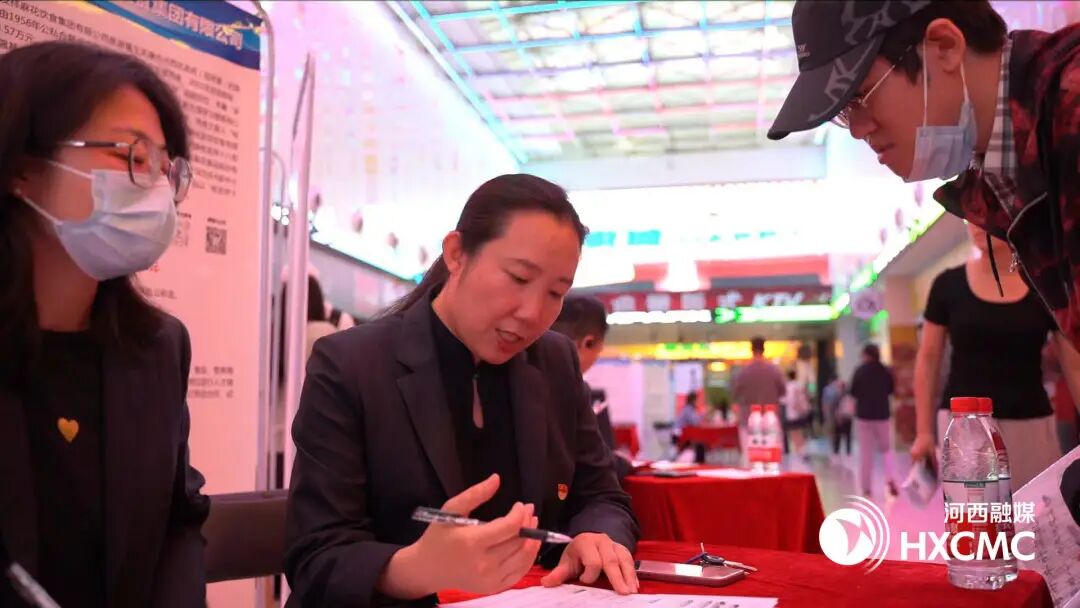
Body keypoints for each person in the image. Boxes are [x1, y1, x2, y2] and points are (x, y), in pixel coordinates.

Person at [284, 174, 640, 607]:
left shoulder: (554, 362)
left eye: (555, 293)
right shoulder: (351, 364)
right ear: (456, 254)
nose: (532, 313)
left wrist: (596, 535)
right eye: (518, 278)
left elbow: (602, 495)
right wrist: (417, 567)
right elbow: (317, 557)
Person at [0, 42, 208, 606]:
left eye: (165, 167)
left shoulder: (159, 348)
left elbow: (178, 522)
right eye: (130, 155)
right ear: (22, 170)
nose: (157, 187)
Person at [768, 1, 1080, 352]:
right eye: (842, 114)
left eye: (860, 96)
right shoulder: (1007, 170)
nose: (857, 129)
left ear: (945, 46)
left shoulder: (1072, 104)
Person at [913, 223, 1080, 487]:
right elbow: (928, 359)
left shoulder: (1044, 286)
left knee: (1033, 511)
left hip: (1031, 423)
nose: (978, 223)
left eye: (989, 210)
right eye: (971, 215)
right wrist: (923, 431)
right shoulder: (947, 285)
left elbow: (1073, 365)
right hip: (964, 427)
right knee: (973, 512)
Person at [551, 295, 632, 481]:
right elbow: (597, 464)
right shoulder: (575, 390)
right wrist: (623, 463)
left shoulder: (521, 379)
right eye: (598, 351)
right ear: (588, 342)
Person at [850, 344, 898, 498]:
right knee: (887, 450)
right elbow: (891, 390)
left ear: (866, 355)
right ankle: (891, 480)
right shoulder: (885, 371)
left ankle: (866, 487)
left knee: (866, 453)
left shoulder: (860, 371)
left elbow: (853, 392)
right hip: (883, 416)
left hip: (864, 417)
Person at [822, 376, 854, 460]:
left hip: (841, 418)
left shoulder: (837, 395)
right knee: (847, 436)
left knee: (838, 436)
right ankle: (847, 453)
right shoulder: (848, 395)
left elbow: (832, 407)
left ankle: (837, 453)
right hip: (847, 418)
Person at [782, 370, 811, 459]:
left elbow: (785, 400)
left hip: (792, 413)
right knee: (801, 433)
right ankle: (804, 451)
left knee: (794, 434)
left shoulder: (788, 386)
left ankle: (799, 452)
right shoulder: (800, 385)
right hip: (802, 413)